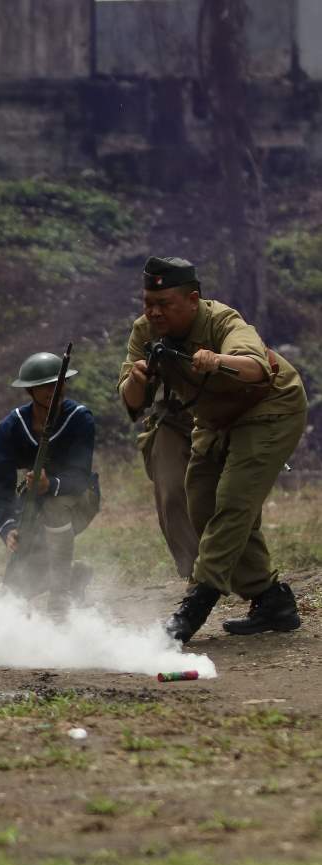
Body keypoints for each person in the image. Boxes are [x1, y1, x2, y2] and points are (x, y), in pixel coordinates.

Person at [118, 256, 309, 643]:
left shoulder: (222, 321)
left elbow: (257, 367)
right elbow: (131, 402)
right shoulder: (145, 332)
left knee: (232, 503)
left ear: (192, 300)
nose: (154, 312)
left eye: (164, 304)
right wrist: (139, 378)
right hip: (213, 418)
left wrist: (218, 359)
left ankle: (197, 605)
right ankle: (270, 598)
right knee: (201, 506)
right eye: (148, 303)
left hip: (269, 407)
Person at [0, 352, 100, 618]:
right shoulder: (12, 426)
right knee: (17, 586)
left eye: (58, 383)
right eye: (46, 385)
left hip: (79, 498)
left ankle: (60, 599)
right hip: (34, 503)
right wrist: (8, 525)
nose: (54, 390)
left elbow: (80, 475)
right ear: (30, 390)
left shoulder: (80, 419)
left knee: (54, 506)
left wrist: (51, 485)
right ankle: (75, 576)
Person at [138, 389, 200, 580]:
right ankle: (195, 574)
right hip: (171, 417)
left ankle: (235, 568)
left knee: (224, 496)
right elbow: (133, 398)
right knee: (171, 495)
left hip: (221, 411)